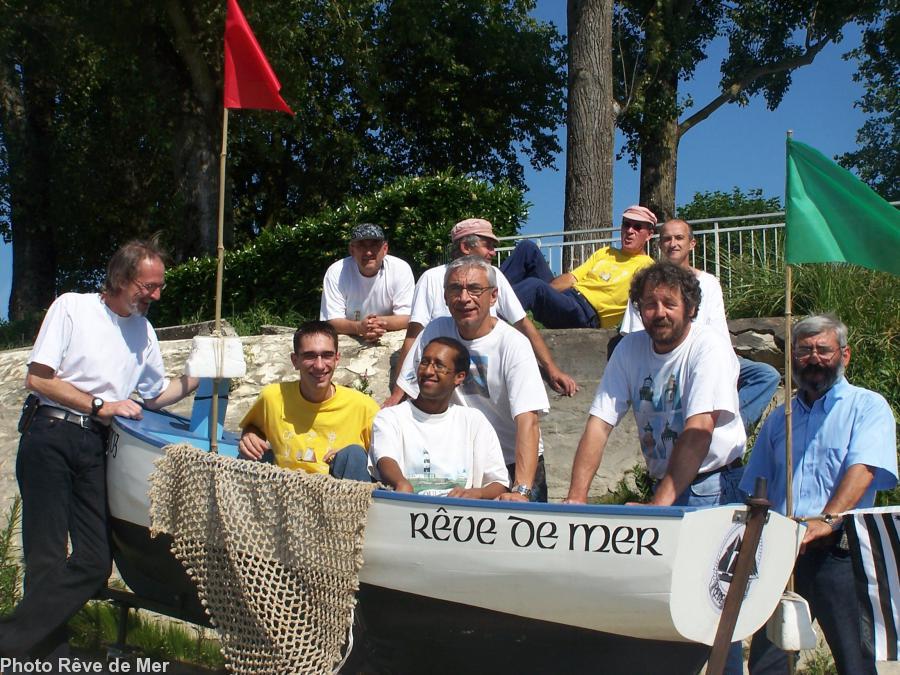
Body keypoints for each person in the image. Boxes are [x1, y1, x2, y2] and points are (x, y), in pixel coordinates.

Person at [0, 237, 200, 659]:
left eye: (159, 286)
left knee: (93, 561)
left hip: (95, 443)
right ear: (121, 279)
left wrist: (197, 375)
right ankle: (45, 656)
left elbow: (154, 395)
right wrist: (100, 404)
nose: (157, 295)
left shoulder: (143, 331)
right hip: (50, 434)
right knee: (46, 557)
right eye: (149, 286)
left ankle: (11, 642)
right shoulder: (73, 307)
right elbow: (38, 379)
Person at [565, 260, 747, 674]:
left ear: (690, 309)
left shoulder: (709, 348)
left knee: (714, 605)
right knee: (668, 602)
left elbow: (699, 430)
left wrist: (659, 505)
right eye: (649, 304)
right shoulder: (630, 349)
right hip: (668, 482)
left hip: (713, 483)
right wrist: (575, 499)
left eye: (669, 303)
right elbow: (599, 423)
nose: (659, 312)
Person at [741, 314, 897, 675]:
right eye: (804, 350)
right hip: (784, 552)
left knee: (855, 660)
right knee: (768, 662)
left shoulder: (867, 407)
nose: (813, 358)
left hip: (840, 552)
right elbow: (758, 485)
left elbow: (865, 470)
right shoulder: (782, 417)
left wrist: (825, 520)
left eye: (823, 350)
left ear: (845, 355)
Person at [395, 256, 550, 502]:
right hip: (461, 463)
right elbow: (406, 395)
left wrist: (520, 490)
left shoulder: (514, 344)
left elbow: (528, 420)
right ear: (445, 298)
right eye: (455, 289)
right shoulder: (435, 332)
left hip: (513, 462)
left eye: (475, 289)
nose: (464, 298)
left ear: (494, 296)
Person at [389, 217, 576, 401]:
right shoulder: (432, 278)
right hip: (446, 384)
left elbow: (523, 323)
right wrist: (398, 394)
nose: (493, 253)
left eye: (475, 290)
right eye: (488, 245)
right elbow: (413, 337)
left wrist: (552, 370)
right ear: (465, 247)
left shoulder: (494, 276)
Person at [619, 218, 780, 431]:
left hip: (708, 356)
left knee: (766, 375)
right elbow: (636, 335)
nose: (673, 243)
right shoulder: (646, 285)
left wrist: (728, 364)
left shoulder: (709, 283)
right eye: (667, 239)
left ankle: (728, 430)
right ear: (659, 245)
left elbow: (718, 331)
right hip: (666, 359)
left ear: (691, 244)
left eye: (679, 238)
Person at [238, 321, 378, 481]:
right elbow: (253, 428)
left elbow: (386, 462)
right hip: (286, 494)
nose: (319, 365)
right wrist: (250, 435)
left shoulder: (364, 407)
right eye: (310, 356)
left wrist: (347, 460)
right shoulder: (273, 397)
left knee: (353, 455)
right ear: (295, 360)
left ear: (337, 359)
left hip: (343, 498)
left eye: (327, 355)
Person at [371, 337, 509, 499]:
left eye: (439, 366)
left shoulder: (474, 421)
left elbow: (499, 484)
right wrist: (401, 483)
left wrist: (474, 493)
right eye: (424, 362)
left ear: (459, 377)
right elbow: (385, 458)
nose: (428, 371)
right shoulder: (390, 417)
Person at [499, 205, 656, 329]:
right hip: (569, 298)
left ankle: (491, 315)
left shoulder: (647, 267)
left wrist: (541, 292)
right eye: (626, 225)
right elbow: (571, 278)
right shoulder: (605, 252)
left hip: (585, 315)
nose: (629, 231)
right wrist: (547, 296)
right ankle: (490, 294)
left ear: (649, 234)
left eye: (637, 227)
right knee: (528, 248)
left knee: (534, 287)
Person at [320, 223, 415, 342]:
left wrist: (373, 324)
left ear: (385, 249)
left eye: (374, 245)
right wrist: (359, 327)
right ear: (351, 250)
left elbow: (407, 317)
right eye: (361, 245)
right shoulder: (336, 272)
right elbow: (331, 321)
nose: (368, 252)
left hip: (389, 337)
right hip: (350, 337)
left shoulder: (401, 269)